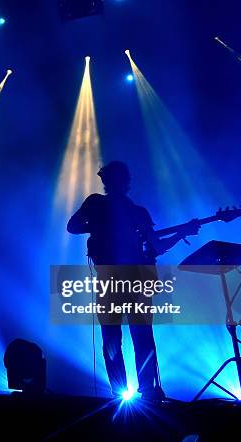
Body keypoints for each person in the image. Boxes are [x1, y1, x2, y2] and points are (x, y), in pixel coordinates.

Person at [67, 161, 199, 400]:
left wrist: (181, 233)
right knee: (129, 338)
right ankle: (136, 392)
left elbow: (156, 246)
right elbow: (73, 226)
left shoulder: (134, 211)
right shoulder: (100, 203)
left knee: (128, 338)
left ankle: (134, 392)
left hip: (125, 280)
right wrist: (103, 225)